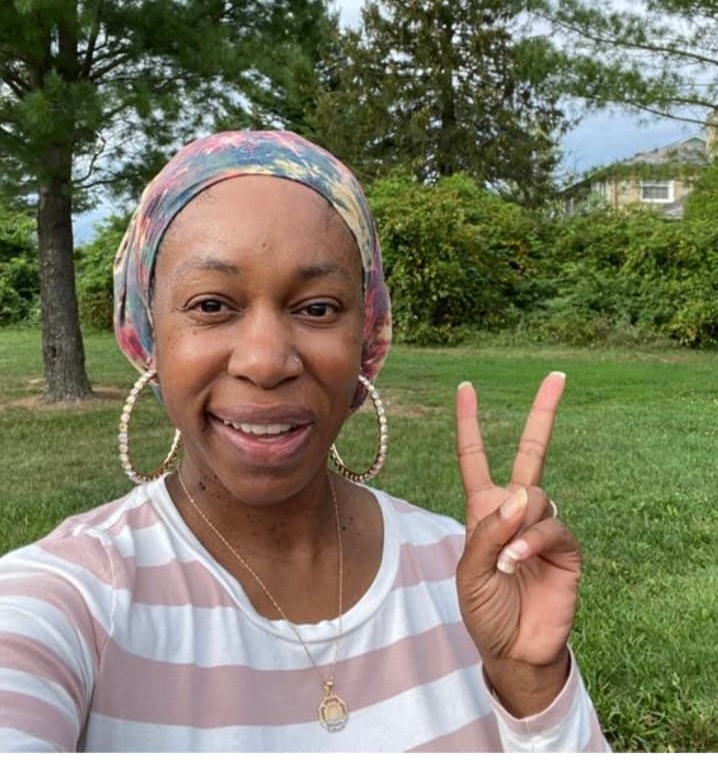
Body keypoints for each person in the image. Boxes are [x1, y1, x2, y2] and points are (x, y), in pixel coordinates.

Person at [0, 130, 607, 751]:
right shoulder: (69, 599)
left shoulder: (469, 574)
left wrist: (530, 686)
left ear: (365, 342)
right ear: (147, 334)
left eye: (317, 309)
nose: (266, 362)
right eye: (211, 304)